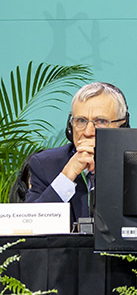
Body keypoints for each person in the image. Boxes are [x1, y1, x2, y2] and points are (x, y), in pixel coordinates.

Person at [25, 82, 129, 224]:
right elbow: (31, 227)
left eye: (101, 121)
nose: (88, 132)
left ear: (122, 126)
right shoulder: (45, 165)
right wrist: (67, 176)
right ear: (70, 126)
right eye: (81, 120)